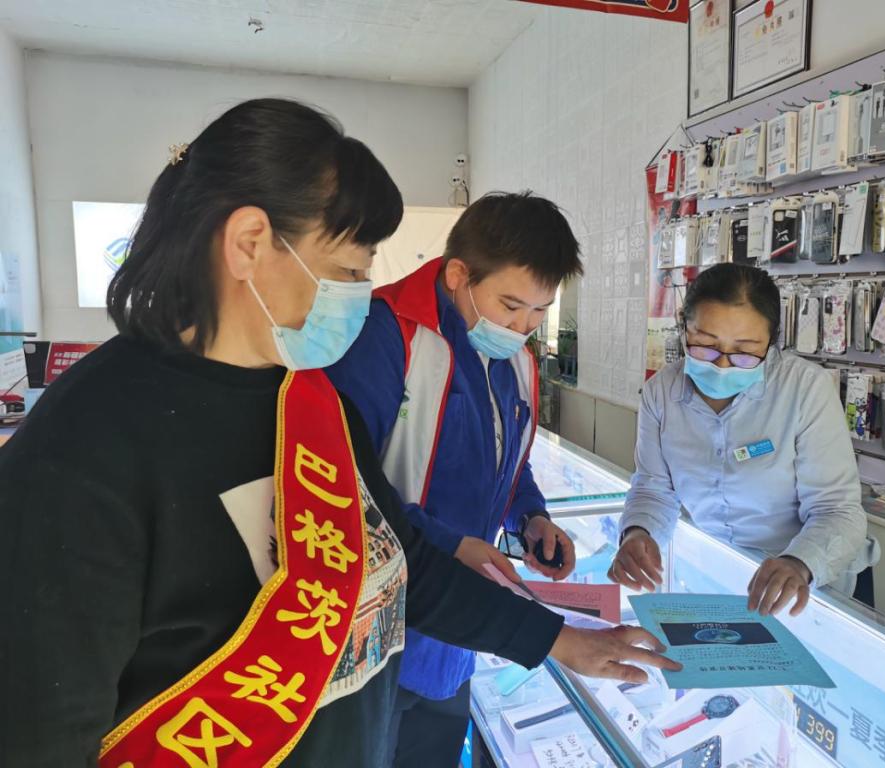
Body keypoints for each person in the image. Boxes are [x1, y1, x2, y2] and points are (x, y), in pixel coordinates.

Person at [0, 99, 679, 767]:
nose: (360, 294)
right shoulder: (85, 445)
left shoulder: (310, 402)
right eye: (347, 271)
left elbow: (403, 559)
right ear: (249, 244)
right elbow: (41, 730)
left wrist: (560, 640)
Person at [326, 191, 583, 767]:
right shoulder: (385, 335)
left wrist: (530, 517)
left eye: (539, 312)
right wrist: (451, 544)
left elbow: (505, 460)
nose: (522, 327)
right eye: (510, 305)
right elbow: (345, 488)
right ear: (458, 275)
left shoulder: (514, 358)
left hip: (459, 632)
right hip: (380, 629)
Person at [609, 263, 877, 617]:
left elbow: (838, 510)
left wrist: (798, 563)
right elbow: (654, 488)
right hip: (720, 575)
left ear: (772, 342)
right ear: (684, 327)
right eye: (705, 345)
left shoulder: (805, 389)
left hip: (810, 586)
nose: (722, 365)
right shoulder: (661, 393)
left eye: (745, 352)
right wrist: (638, 533)